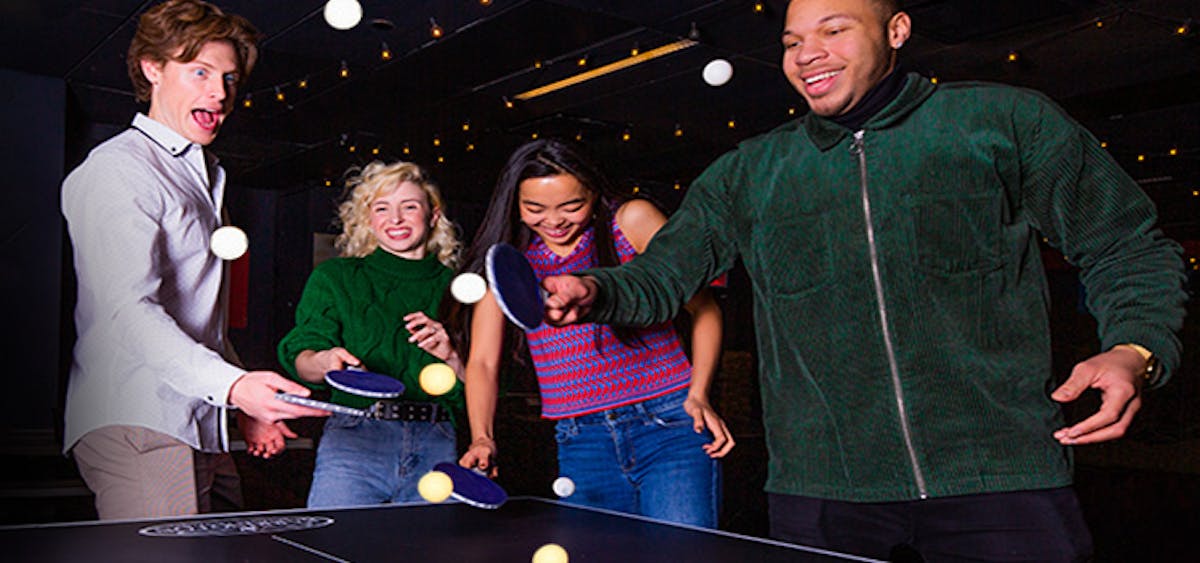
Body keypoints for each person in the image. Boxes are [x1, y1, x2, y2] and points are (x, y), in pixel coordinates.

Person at [540, 0, 1188, 560]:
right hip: (820, 489)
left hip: (1001, 476)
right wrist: (598, 290)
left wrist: (1136, 347)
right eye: (792, 41)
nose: (806, 55)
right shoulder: (750, 171)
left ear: (897, 29)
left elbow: (1125, 245)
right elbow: (661, 274)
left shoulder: (1006, 123)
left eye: (834, 30)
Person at [60, 0, 329, 520]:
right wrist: (234, 386)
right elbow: (128, 313)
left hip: (201, 418)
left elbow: (203, 322)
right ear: (152, 68)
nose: (219, 93)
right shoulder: (118, 170)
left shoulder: (204, 174)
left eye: (229, 78)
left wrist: (242, 405)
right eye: (200, 71)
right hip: (138, 416)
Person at [451, 138, 734, 528]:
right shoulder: (508, 263)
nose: (554, 221)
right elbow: (482, 361)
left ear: (594, 192)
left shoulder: (631, 221)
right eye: (535, 208)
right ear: (514, 204)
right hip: (581, 437)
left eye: (572, 206)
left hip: (668, 424)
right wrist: (482, 436)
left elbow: (704, 308)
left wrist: (699, 393)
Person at [277, 160, 466, 508]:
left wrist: (453, 356)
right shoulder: (336, 277)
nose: (395, 219)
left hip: (436, 441)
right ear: (368, 218)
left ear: (434, 215)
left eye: (409, 207)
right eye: (382, 208)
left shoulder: (459, 290)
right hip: (354, 440)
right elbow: (301, 358)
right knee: (336, 550)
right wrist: (326, 362)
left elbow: (484, 385)